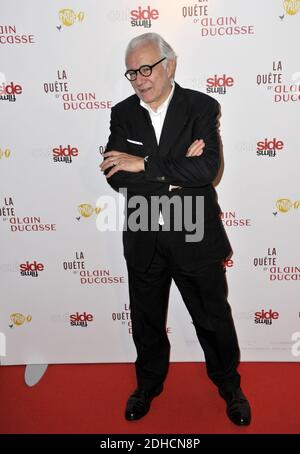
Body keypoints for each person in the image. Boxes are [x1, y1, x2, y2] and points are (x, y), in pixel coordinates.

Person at [100, 32, 251, 426]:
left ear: (169, 65)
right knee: (146, 321)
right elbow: (116, 176)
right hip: (143, 233)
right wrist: (172, 169)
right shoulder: (123, 113)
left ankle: (229, 386)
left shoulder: (201, 106)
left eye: (147, 68)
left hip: (194, 235)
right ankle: (147, 385)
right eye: (132, 72)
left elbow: (206, 171)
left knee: (213, 319)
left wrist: (145, 165)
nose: (139, 79)